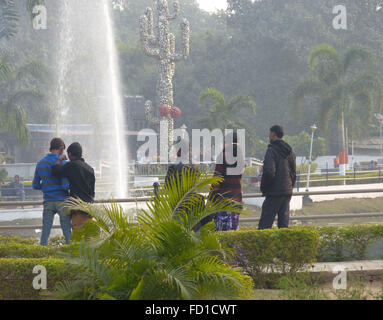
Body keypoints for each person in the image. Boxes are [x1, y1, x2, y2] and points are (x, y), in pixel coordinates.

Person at [33, 138, 71, 245]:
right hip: (62, 201)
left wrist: (46, 187)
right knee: (67, 230)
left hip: (48, 201)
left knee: (45, 231)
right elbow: (65, 185)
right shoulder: (63, 163)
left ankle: (42, 254)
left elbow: (35, 185)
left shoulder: (40, 163)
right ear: (61, 148)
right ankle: (71, 253)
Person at [258, 125, 296, 230]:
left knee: (264, 226)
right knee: (283, 226)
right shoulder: (290, 151)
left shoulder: (271, 150)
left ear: (273, 135)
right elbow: (293, 173)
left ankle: (263, 247)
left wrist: (265, 187)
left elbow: (269, 172)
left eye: (270, 134)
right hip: (287, 192)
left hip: (274, 192)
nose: (269, 137)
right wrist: (290, 187)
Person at [52, 142, 95, 230]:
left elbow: (56, 172)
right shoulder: (90, 169)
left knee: (78, 238)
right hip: (89, 209)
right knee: (90, 238)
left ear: (70, 154)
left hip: (78, 210)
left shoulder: (72, 165)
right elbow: (92, 191)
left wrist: (59, 160)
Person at [211, 132, 245, 231]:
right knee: (234, 231)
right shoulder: (240, 158)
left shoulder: (222, 156)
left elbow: (217, 180)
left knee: (222, 233)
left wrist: (211, 198)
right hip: (237, 199)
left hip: (223, 200)